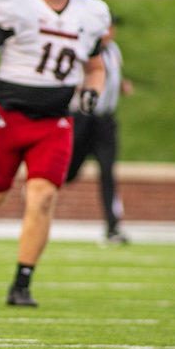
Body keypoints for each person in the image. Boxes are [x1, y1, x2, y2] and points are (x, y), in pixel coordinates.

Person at [0, 0, 109, 307]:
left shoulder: (90, 14)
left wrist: (93, 90)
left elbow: (95, 66)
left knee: (42, 198)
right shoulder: (15, 4)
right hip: (8, 117)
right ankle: (7, 177)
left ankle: (22, 282)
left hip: (55, 122)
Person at [64, 18, 132, 245]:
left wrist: (121, 84)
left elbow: (111, 75)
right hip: (82, 118)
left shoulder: (114, 51)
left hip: (105, 121)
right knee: (66, 171)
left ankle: (113, 226)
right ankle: (37, 206)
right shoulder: (83, 49)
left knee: (107, 173)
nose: (110, 33)